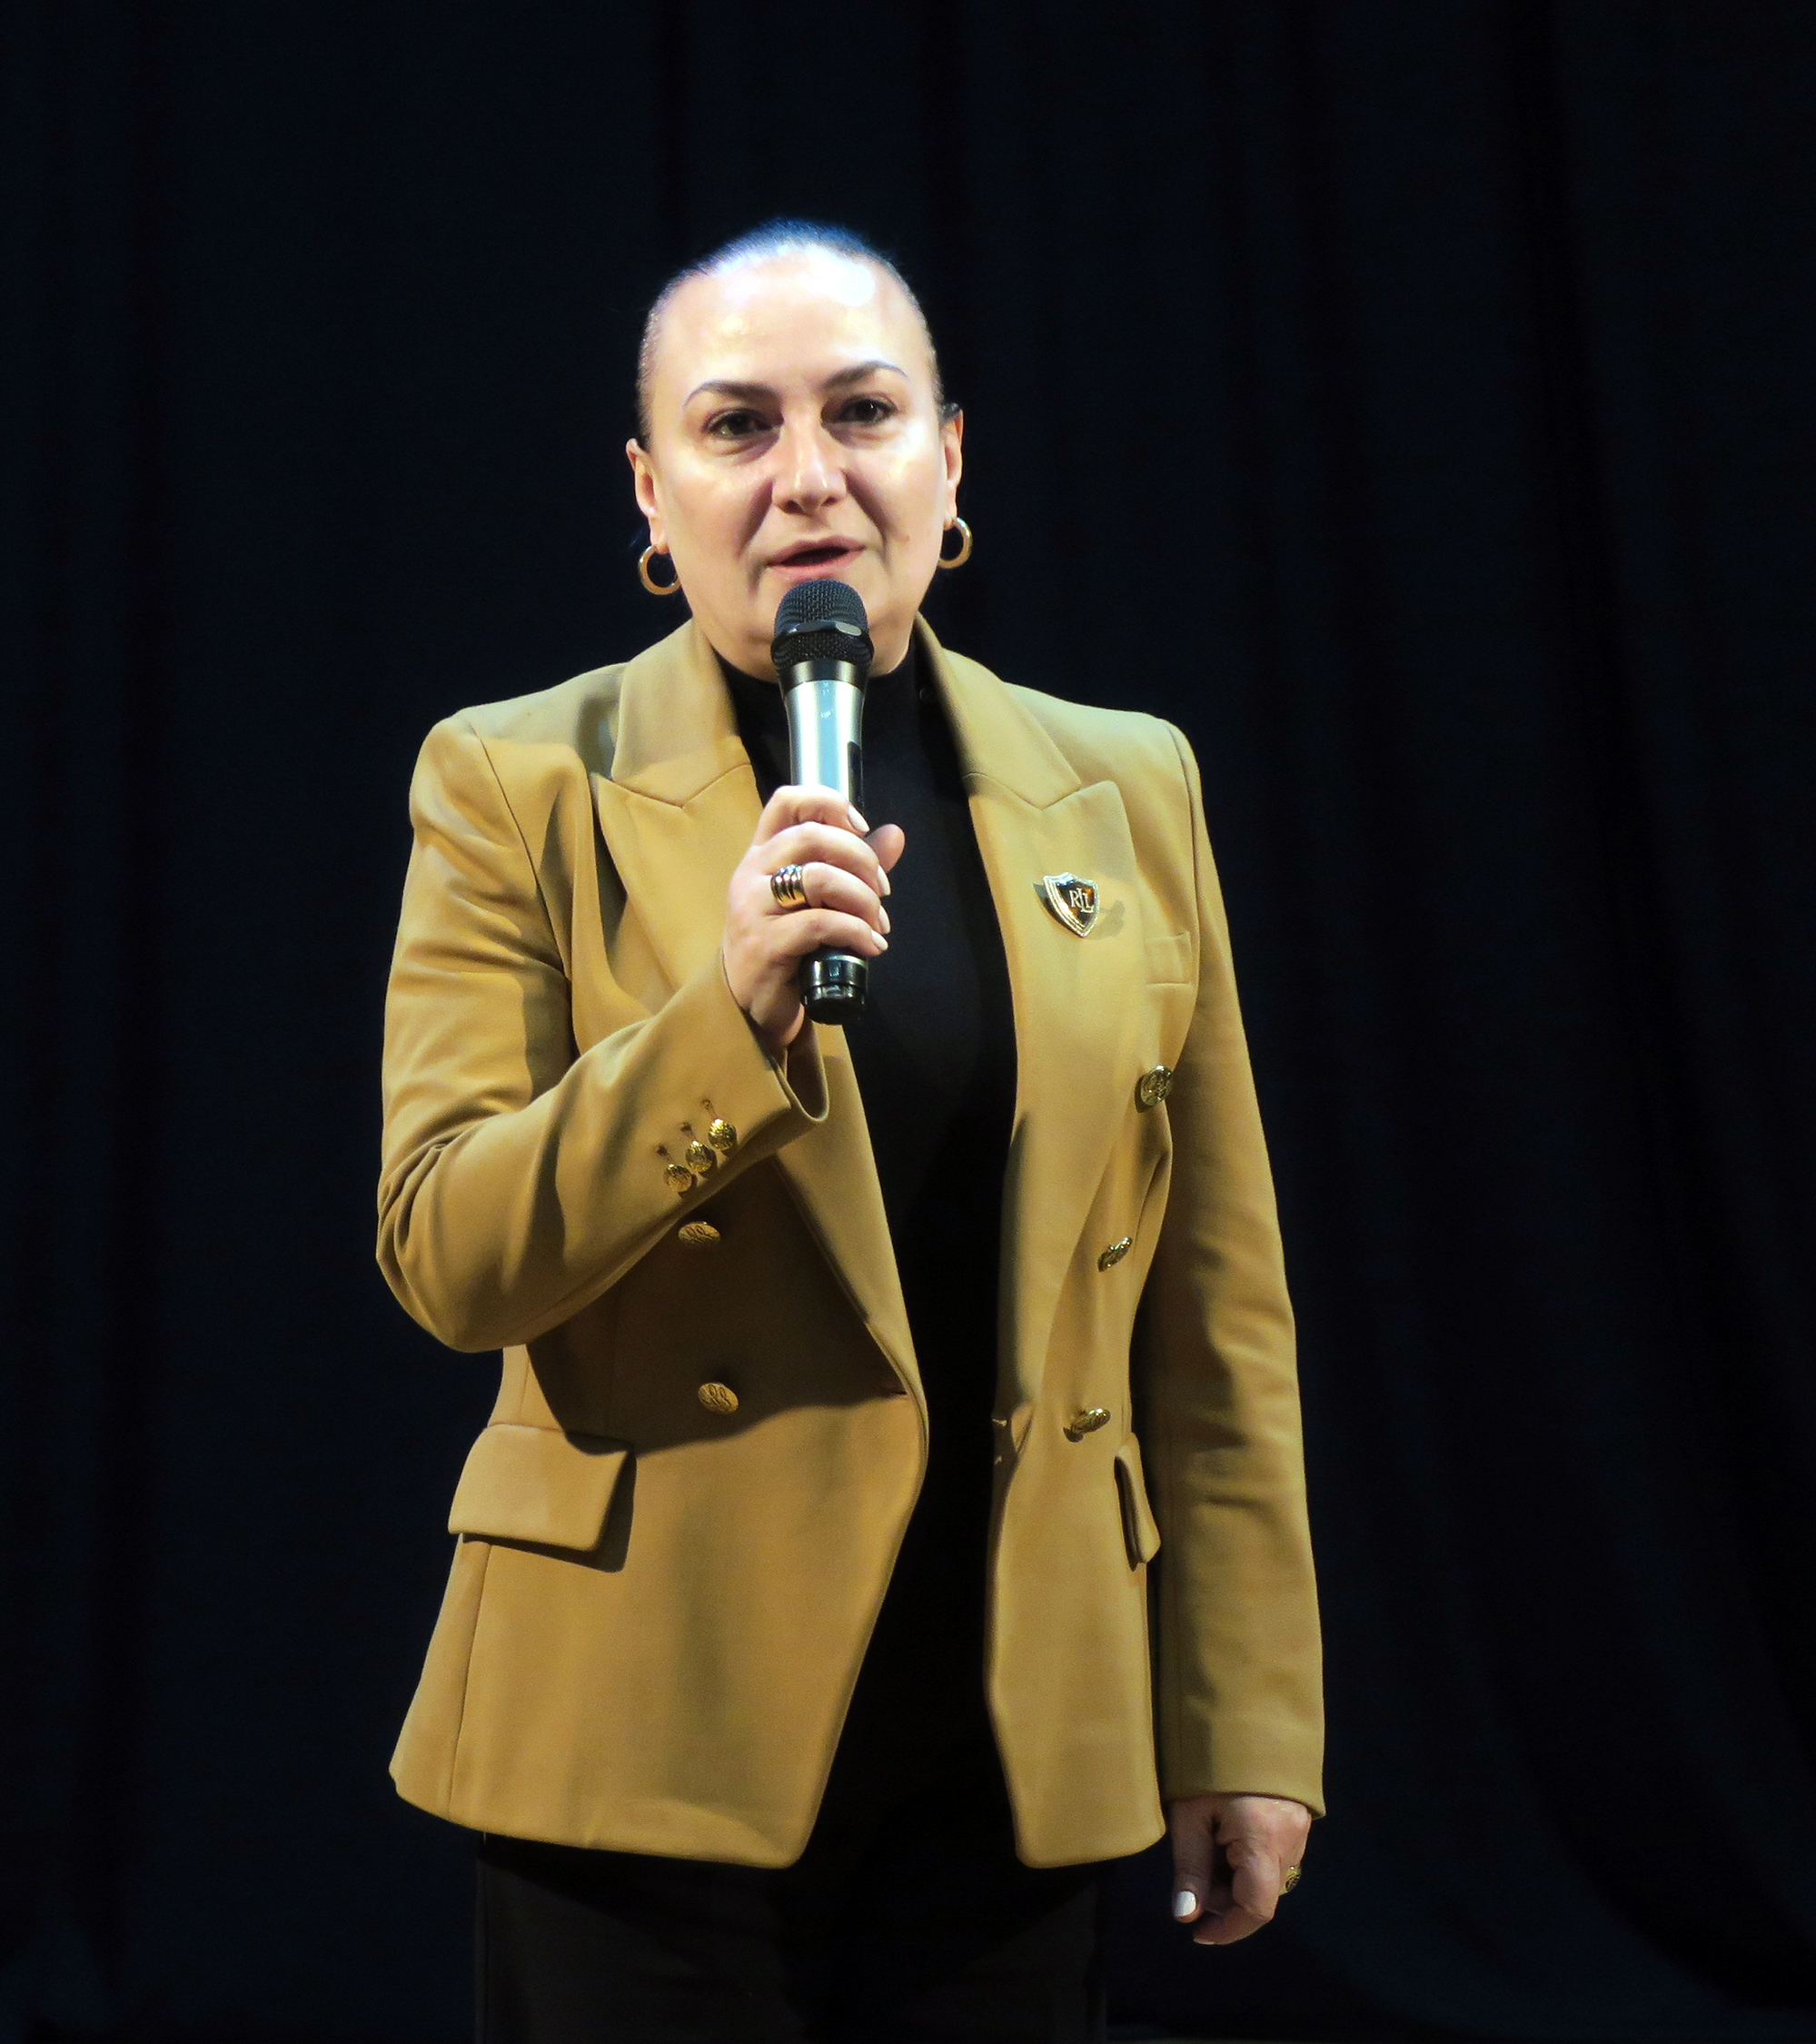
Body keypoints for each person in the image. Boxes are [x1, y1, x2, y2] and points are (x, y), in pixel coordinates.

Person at [373, 221, 1323, 2042]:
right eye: (737, 425)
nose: (806, 475)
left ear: (947, 461)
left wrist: (1245, 1714)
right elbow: (447, 1250)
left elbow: (1217, 1311)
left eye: (862, 413)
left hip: (1010, 1742)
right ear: (650, 494)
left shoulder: (1126, 782)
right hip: (643, 1733)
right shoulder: (514, 776)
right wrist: (719, 1021)